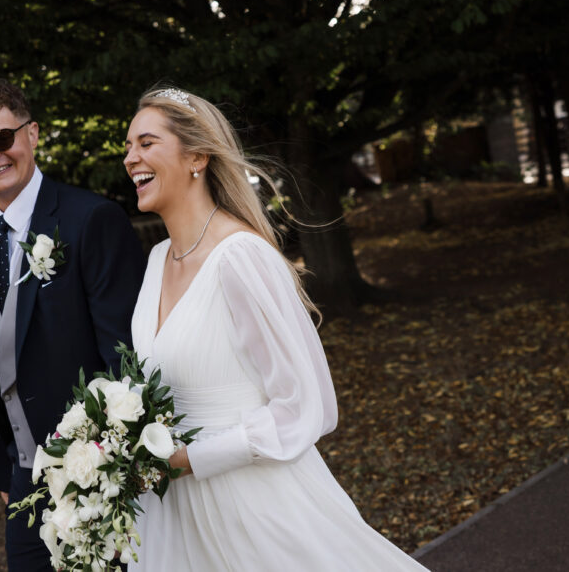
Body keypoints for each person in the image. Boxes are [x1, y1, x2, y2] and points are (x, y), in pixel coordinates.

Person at [122, 87, 429, 571]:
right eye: (127, 146)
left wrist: (190, 459)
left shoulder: (240, 257)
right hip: (172, 515)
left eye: (145, 143)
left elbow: (304, 406)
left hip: (251, 507)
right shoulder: (157, 260)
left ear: (197, 155)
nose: (130, 158)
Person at [0, 79, 146, 571]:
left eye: (2, 138)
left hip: (92, 473)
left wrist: (112, 481)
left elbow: (124, 359)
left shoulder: (91, 219)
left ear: (33, 134)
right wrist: (5, 464)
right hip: (22, 478)